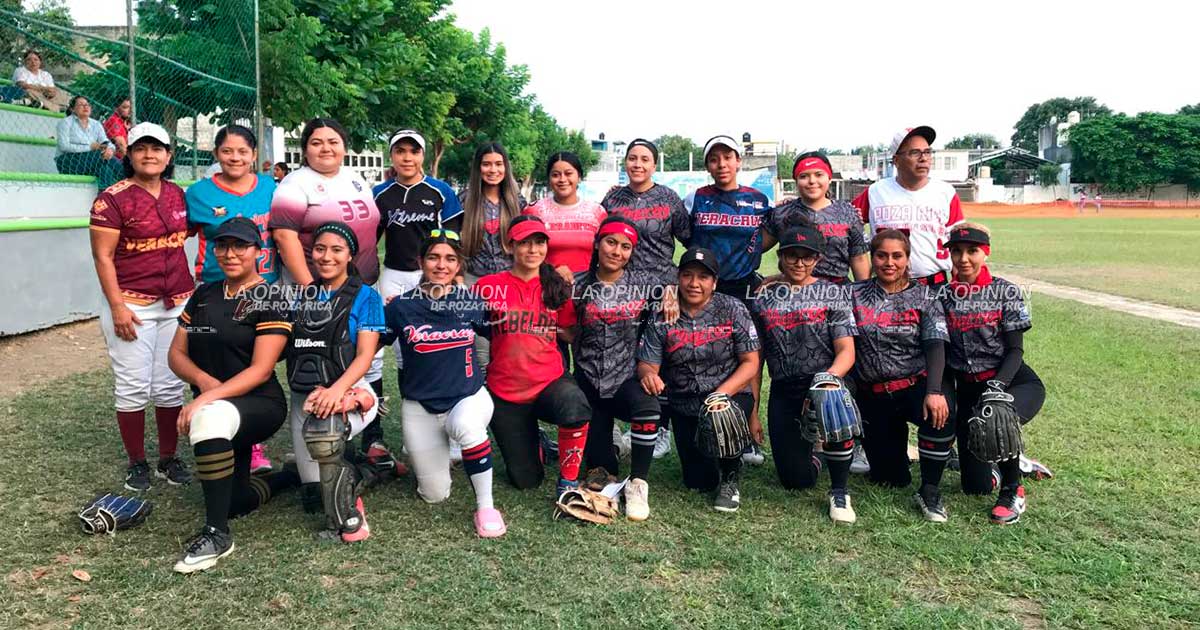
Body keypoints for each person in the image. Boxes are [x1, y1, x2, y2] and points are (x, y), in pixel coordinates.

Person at [167, 217, 299, 573]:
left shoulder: (270, 297)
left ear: (258, 251)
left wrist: (205, 399)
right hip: (219, 402)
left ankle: (217, 535)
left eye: (240, 246)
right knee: (235, 501)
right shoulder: (205, 294)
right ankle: (290, 476)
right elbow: (175, 354)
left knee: (208, 419)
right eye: (223, 245)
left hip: (259, 403)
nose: (230, 253)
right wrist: (203, 382)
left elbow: (260, 370)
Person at [269, 118, 391, 465]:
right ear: (305, 148)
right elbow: (284, 236)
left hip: (360, 284)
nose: (326, 148)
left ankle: (371, 436)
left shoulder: (355, 179)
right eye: (317, 142)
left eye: (333, 141)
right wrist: (312, 288)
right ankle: (318, 434)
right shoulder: (296, 184)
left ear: (344, 145)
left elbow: (371, 228)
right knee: (320, 357)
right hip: (317, 288)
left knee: (370, 358)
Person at [89, 122, 193, 492]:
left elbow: (193, 232)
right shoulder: (112, 198)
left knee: (169, 385)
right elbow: (103, 257)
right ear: (129, 154)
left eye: (157, 148)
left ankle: (168, 458)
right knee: (133, 385)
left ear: (169, 155)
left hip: (177, 299)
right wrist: (117, 306)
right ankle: (137, 462)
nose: (149, 155)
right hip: (132, 301)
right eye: (141, 148)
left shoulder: (178, 194)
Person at [384, 230, 506, 537]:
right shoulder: (400, 307)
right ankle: (445, 454)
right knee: (434, 494)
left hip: (468, 396)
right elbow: (369, 348)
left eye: (450, 259)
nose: (442, 265)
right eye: (434, 257)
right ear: (420, 261)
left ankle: (486, 506)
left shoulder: (471, 301)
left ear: (459, 265)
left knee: (466, 425)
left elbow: (501, 336)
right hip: (421, 405)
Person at [637, 247, 761, 513]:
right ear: (678, 279)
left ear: (714, 282)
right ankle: (718, 456)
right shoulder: (663, 313)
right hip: (685, 403)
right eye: (688, 275)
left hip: (728, 396)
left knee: (721, 414)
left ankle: (731, 476)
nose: (694, 283)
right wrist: (648, 374)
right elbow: (648, 363)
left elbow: (751, 362)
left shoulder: (732, 308)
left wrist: (722, 394)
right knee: (698, 481)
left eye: (703, 277)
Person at [187, 124, 280, 473]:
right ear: (216, 155)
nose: (235, 157)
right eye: (227, 151)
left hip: (262, 288)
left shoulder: (271, 188)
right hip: (214, 290)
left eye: (243, 151)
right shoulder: (199, 193)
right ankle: (214, 434)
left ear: (254, 155)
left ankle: (252, 441)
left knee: (255, 366)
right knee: (214, 362)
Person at [750, 223, 859, 523]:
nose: (800, 262)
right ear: (781, 257)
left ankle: (839, 490)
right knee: (795, 480)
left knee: (832, 398)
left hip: (825, 380)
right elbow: (755, 360)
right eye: (792, 255)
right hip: (786, 388)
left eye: (807, 256)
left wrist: (827, 379)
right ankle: (816, 454)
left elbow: (846, 351)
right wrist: (754, 410)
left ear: (818, 259)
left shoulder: (832, 293)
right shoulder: (762, 297)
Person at [475, 216, 591, 498]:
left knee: (574, 405)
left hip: (547, 381)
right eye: (524, 243)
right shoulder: (488, 286)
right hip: (505, 390)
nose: (532, 249)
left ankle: (568, 482)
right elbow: (468, 323)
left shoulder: (555, 285)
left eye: (539, 242)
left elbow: (569, 332)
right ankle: (537, 442)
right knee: (525, 479)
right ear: (509, 245)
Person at [941, 223, 1048, 524]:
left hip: (1013, 381)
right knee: (975, 487)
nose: (964, 258)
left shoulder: (1004, 291)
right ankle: (1010, 459)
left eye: (972, 251)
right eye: (957, 251)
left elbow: (1015, 351)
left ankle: (1013, 490)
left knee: (997, 415)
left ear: (985, 253)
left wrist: (997, 386)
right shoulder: (943, 296)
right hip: (969, 390)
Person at [286, 222, 386, 542]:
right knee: (313, 498)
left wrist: (337, 391)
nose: (326, 257)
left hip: (349, 391)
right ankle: (367, 471)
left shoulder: (366, 296)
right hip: (306, 398)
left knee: (324, 432)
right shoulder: (302, 297)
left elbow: (364, 357)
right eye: (319, 249)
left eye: (336, 250)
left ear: (349, 256)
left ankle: (348, 514)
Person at [850, 229, 955, 522]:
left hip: (914, 386)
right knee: (890, 479)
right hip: (874, 393)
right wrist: (776, 280)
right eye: (881, 255)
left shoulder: (924, 296)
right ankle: (899, 456)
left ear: (908, 259)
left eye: (897, 256)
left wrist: (934, 391)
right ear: (872, 258)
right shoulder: (853, 294)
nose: (889, 262)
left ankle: (931, 488)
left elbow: (935, 344)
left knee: (941, 412)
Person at [600, 138, 691, 459]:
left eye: (644, 159)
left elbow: (690, 244)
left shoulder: (668, 198)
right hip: (621, 293)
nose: (637, 164)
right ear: (625, 162)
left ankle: (661, 427)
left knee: (659, 360)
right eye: (632, 158)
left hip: (661, 293)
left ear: (654, 165)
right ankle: (615, 422)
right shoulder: (612, 198)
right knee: (620, 357)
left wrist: (675, 285)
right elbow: (601, 243)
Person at [684, 135, 772, 465]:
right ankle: (698, 420)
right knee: (700, 350)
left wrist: (750, 255)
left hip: (743, 286)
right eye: (714, 159)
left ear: (738, 162)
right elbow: (683, 235)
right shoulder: (696, 198)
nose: (721, 164)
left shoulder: (758, 199)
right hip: (704, 286)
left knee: (750, 356)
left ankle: (749, 428)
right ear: (708, 165)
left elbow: (770, 234)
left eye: (727, 158)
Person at [574, 217, 663, 521]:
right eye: (611, 242)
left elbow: (680, 280)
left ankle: (638, 482)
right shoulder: (578, 284)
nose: (617, 251)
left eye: (626, 247)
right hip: (588, 378)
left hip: (625, 376)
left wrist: (672, 294)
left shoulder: (644, 285)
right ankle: (610, 443)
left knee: (648, 405)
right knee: (601, 475)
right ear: (597, 243)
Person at [851, 126, 964, 287]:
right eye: (914, 153)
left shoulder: (945, 192)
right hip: (887, 288)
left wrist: (961, 288)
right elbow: (844, 224)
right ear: (896, 160)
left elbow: (959, 244)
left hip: (933, 286)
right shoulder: (876, 192)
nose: (923, 158)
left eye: (927, 152)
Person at [766, 152, 870, 283]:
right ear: (796, 181)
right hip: (796, 293)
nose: (812, 181)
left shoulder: (848, 213)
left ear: (829, 178)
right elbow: (755, 248)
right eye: (804, 176)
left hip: (838, 292)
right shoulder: (782, 212)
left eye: (819, 175)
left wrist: (863, 295)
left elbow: (859, 258)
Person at [525, 152, 607, 281]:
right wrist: (552, 271)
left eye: (568, 173)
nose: (562, 179)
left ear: (579, 177)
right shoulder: (534, 210)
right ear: (549, 179)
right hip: (545, 287)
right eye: (556, 175)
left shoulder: (597, 212)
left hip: (588, 288)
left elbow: (605, 253)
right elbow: (523, 252)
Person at [459, 142, 526, 283]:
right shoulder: (463, 200)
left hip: (511, 279)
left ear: (506, 167)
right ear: (478, 167)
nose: (493, 169)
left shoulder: (518, 202)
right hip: (472, 279)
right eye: (486, 164)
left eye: (498, 164)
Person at [56, 95, 122, 190]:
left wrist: (110, 150)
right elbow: (64, 146)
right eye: (81, 105)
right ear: (73, 109)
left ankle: (103, 197)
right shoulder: (65, 123)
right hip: (68, 161)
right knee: (99, 155)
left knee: (105, 170)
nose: (85, 107)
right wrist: (90, 147)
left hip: (92, 161)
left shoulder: (96, 124)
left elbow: (106, 142)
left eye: (87, 105)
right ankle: (130, 179)